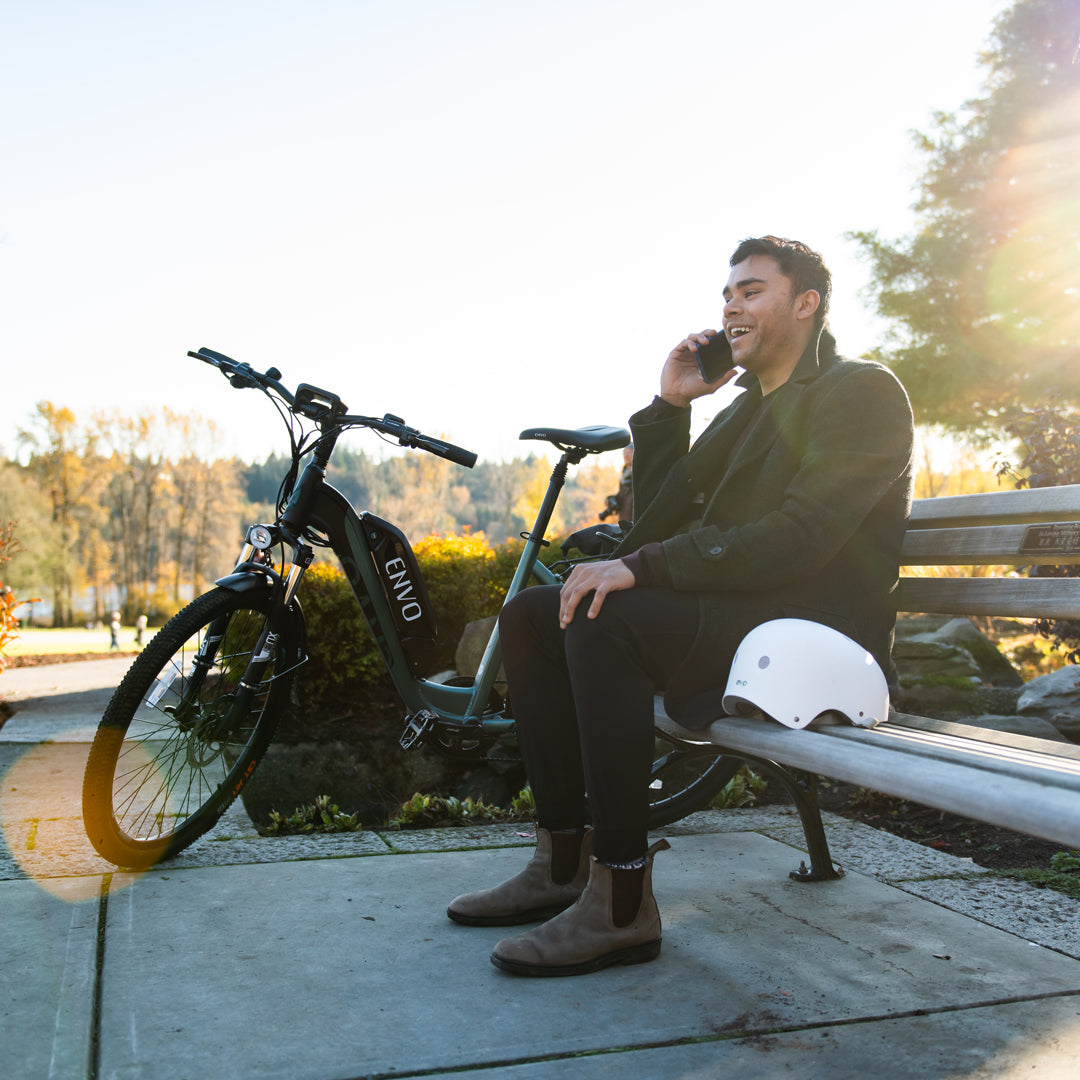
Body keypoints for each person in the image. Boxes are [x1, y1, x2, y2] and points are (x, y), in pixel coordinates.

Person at [447, 236, 915, 977]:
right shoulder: (744, 411)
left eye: (752, 290)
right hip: (747, 619)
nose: (731, 304)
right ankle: (561, 861)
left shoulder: (861, 391)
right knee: (536, 615)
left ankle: (622, 901)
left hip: (815, 637)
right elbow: (658, 526)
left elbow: (803, 538)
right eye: (727, 293)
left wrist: (643, 568)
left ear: (806, 304)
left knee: (608, 619)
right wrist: (669, 409)